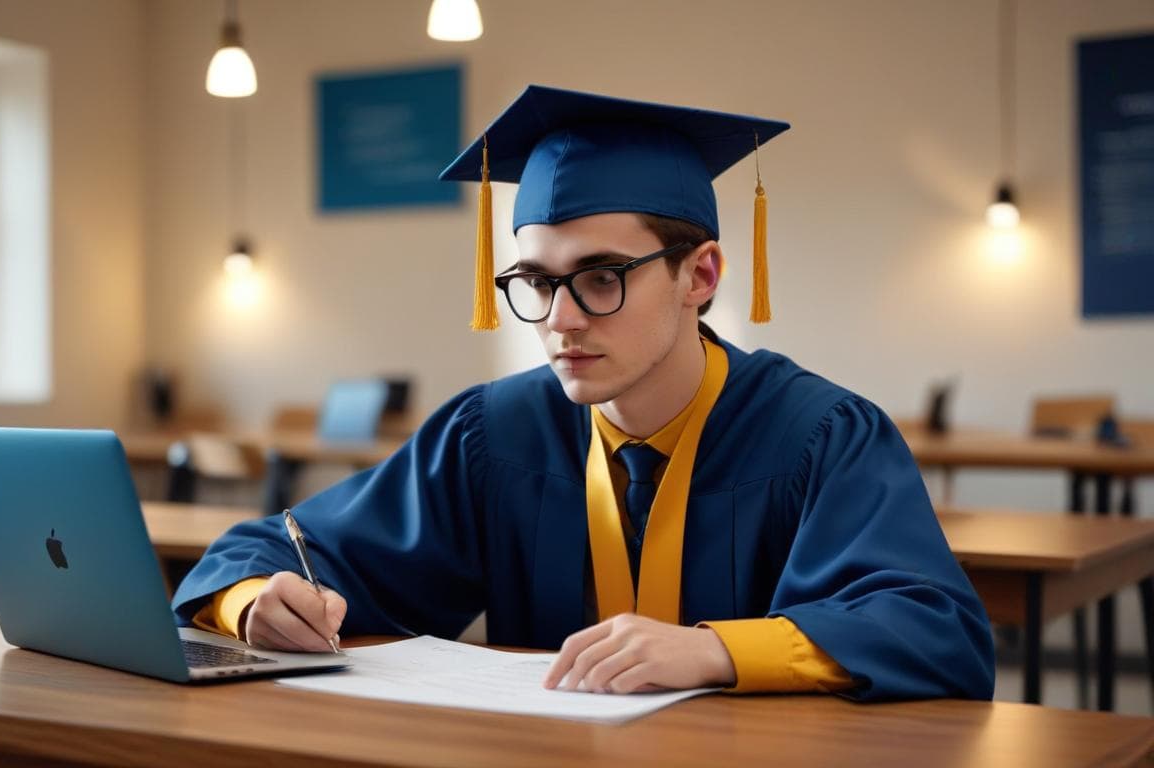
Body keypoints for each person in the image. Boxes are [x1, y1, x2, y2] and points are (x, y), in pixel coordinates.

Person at [172, 85, 995, 701]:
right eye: (535, 281)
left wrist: (716, 650)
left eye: (602, 277)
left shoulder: (822, 436)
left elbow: (937, 631)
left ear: (699, 276)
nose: (561, 319)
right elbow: (277, 549)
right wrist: (254, 604)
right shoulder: (492, 434)